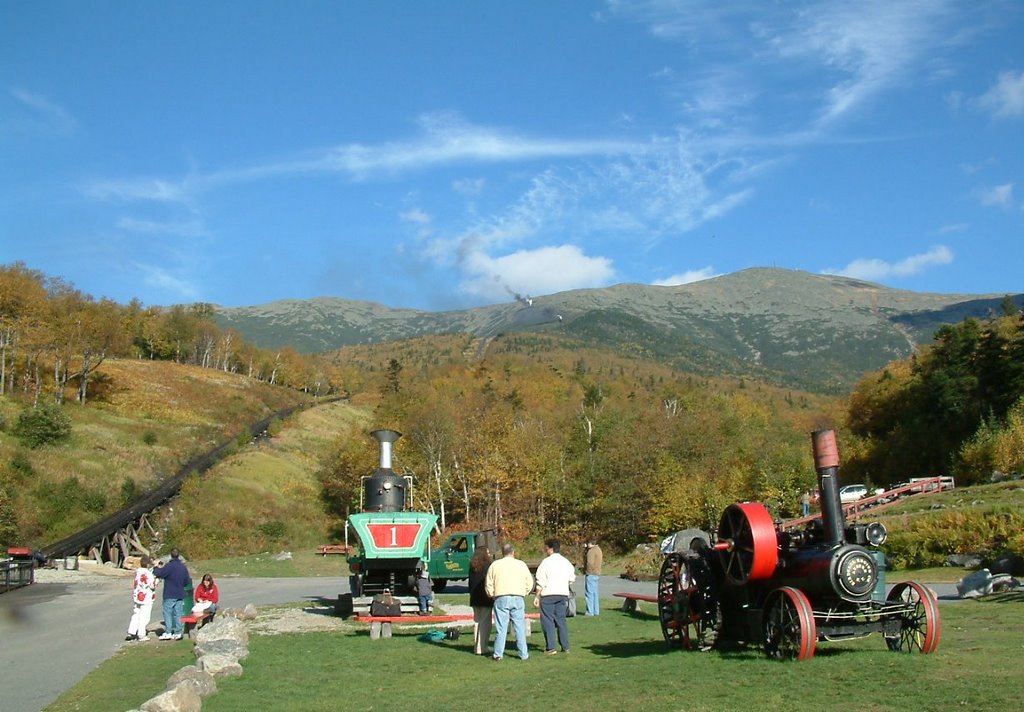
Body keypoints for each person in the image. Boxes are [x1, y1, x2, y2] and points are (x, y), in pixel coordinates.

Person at [484, 542, 534, 661]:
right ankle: (523, 654)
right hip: (517, 597)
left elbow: (489, 582)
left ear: (502, 553)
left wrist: (491, 594)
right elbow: (530, 582)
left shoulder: (495, 565)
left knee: (501, 628)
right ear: (513, 552)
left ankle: (498, 654)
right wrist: (525, 592)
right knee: (519, 627)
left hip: (501, 596)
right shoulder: (521, 564)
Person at [533, 538, 575, 654]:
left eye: (546, 548)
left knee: (548, 620)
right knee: (561, 620)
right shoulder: (566, 562)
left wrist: (537, 596)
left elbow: (540, 581)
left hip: (548, 594)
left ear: (550, 549)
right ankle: (565, 645)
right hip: (562, 594)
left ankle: (551, 647)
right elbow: (572, 578)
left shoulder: (546, 562)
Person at [153, 548, 191, 640]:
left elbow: (159, 574)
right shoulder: (183, 567)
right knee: (178, 613)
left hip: (170, 593)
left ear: (171, 555)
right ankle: (178, 632)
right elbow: (186, 581)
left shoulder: (169, 566)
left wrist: (156, 566)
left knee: (167, 612)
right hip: (180, 593)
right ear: (179, 555)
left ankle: (168, 632)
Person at [468, 546, 494, 655]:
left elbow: (470, 584)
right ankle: (482, 647)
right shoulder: (488, 566)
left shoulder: (472, 566)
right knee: (485, 623)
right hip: (485, 597)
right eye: (488, 552)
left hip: (474, 598)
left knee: (477, 621)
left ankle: (477, 645)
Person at [125, 555, 157, 641]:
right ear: (147, 564)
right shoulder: (148, 574)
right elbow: (152, 585)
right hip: (146, 597)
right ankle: (141, 634)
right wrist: (156, 580)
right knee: (144, 616)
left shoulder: (138, 572)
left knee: (136, 614)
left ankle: (131, 631)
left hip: (137, 596)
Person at [583, 539, 603, 616]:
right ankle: (596, 611)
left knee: (589, 593)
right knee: (595, 593)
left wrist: (587, 571)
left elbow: (589, 563)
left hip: (591, 573)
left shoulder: (591, 551)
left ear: (589, 543)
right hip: (597, 573)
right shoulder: (598, 549)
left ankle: (590, 611)